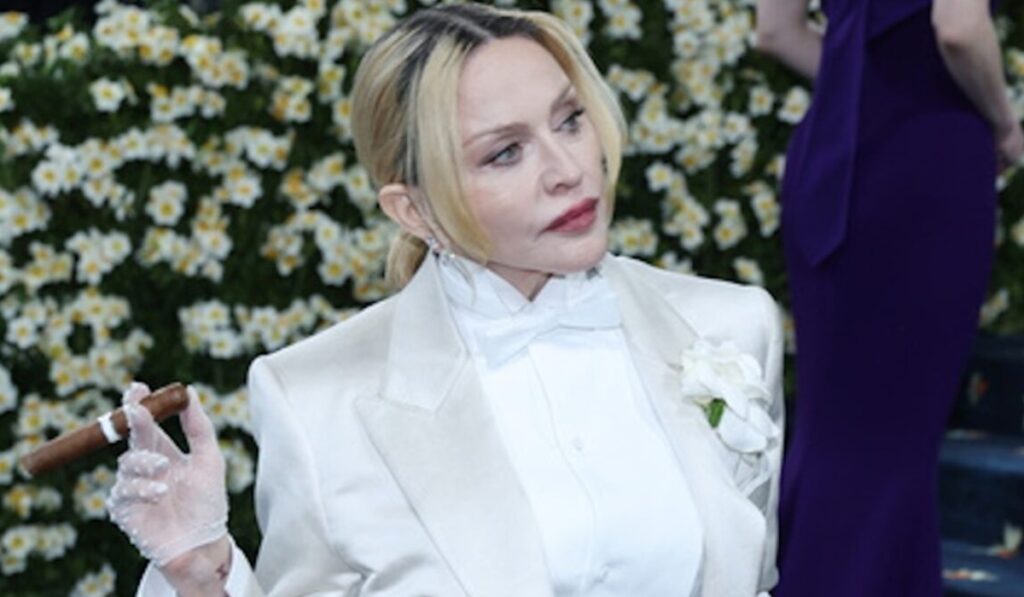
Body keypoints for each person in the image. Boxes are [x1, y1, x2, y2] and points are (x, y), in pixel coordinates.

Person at [107, 4, 785, 596]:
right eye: (505, 152)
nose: (569, 169)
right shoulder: (315, 398)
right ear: (414, 209)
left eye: (570, 120)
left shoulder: (727, 326)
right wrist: (201, 574)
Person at [756, 0, 1024, 595]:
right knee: (893, 447)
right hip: (924, 159)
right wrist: (1005, 122)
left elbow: (775, 32)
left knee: (833, 435)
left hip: (832, 159)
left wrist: (865, 73)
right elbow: (958, 28)